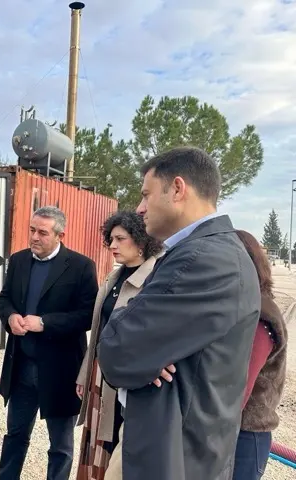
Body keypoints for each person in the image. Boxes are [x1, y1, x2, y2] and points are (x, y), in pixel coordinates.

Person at [97, 146, 261, 480]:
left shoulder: (202, 259)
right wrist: (143, 356)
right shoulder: (207, 252)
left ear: (177, 189)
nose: (140, 208)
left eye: (146, 195)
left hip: (176, 458)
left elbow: (116, 348)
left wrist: (140, 354)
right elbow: (125, 346)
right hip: (178, 451)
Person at [0, 206, 98, 480]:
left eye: (42, 232)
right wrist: (11, 316)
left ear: (60, 235)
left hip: (60, 370)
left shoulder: (81, 266)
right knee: (15, 436)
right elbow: (4, 299)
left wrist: (45, 323)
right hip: (22, 367)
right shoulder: (18, 261)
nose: (34, 237)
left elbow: (88, 315)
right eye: (32, 230)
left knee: (61, 446)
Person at [75, 211, 163, 480]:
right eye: (110, 239)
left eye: (120, 239)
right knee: (96, 439)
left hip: (125, 379)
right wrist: (85, 375)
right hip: (99, 375)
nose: (112, 245)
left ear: (141, 241)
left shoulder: (154, 280)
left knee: (116, 441)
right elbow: (98, 331)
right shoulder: (114, 278)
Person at [233, 230, 288, 480]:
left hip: (245, 435)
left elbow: (238, 389)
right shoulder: (243, 306)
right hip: (231, 430)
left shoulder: (260, 314)